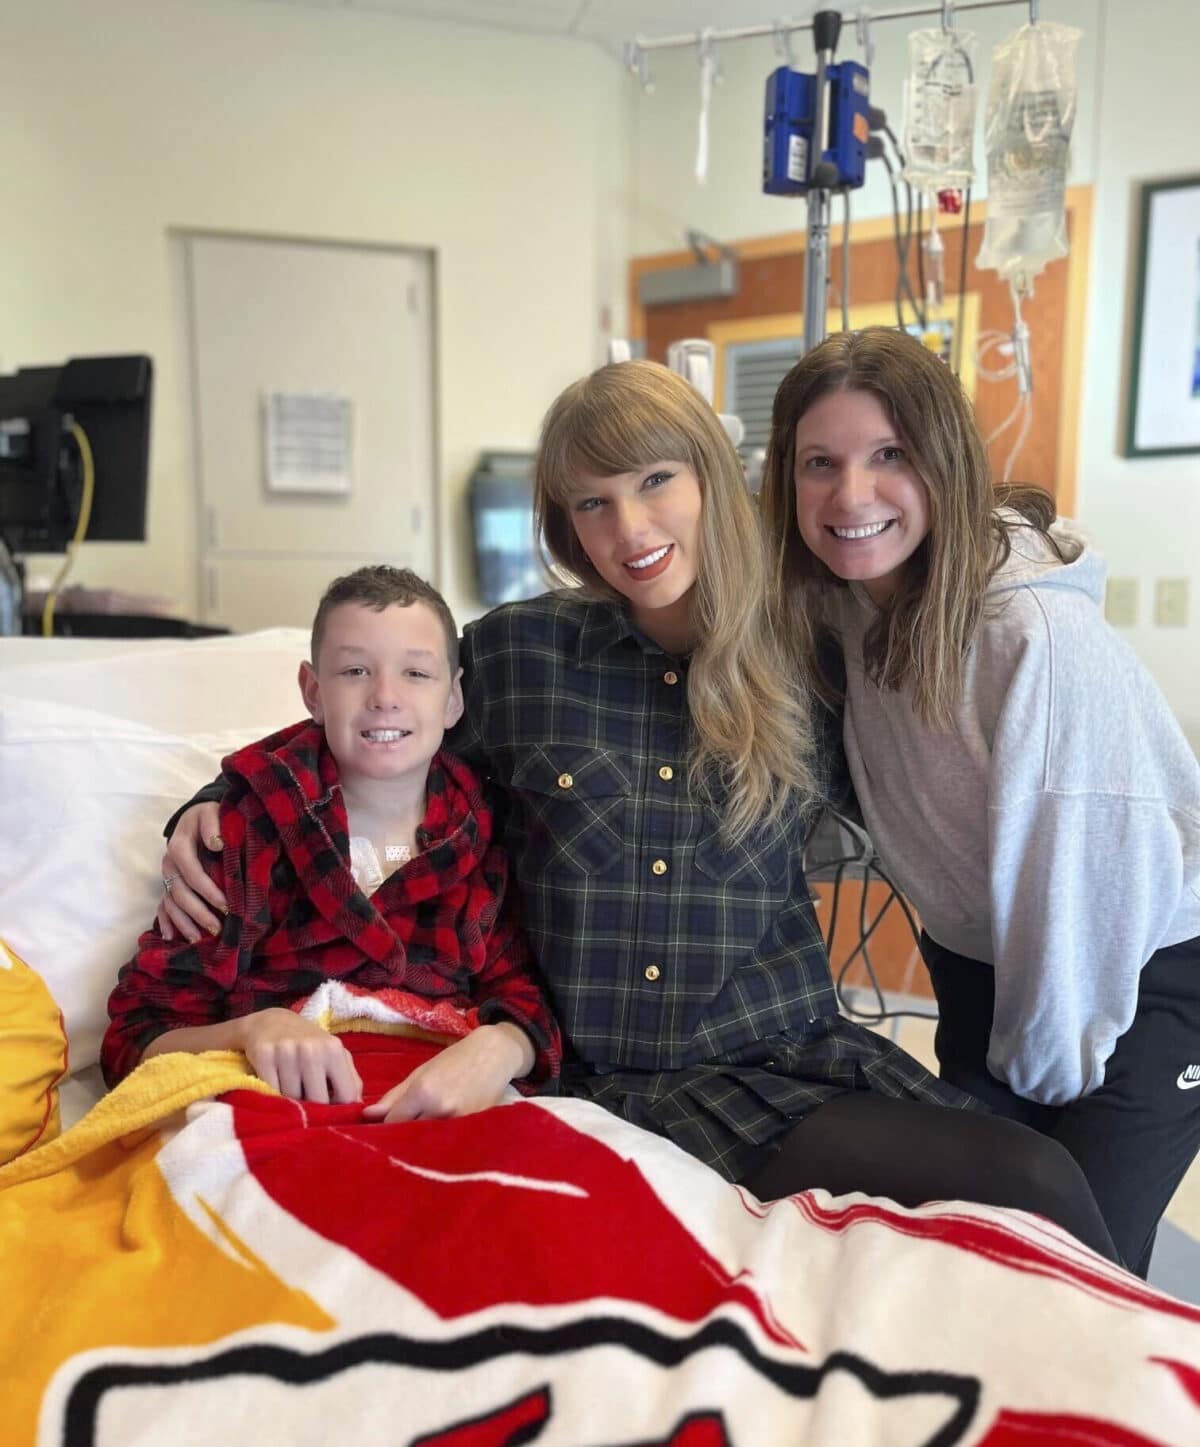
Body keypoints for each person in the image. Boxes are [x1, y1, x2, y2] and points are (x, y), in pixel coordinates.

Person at [157, 361, 1118, 1261]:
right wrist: (217, 796)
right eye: (591, 502)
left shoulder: (813, 655)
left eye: (656, 480)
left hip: (784, 1060)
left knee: (1035, 1180)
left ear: (711, 477)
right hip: (598, 1076)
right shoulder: (521, 660)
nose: (629, 527)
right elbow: (376, 726)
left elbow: (947, 615)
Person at [759, 325, 1200, 1275]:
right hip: (988, 971)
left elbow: (1082, 887)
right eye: (819, 464)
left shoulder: (1032, 635)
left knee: (1071, 1278)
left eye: (889, 457)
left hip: (1129, 979)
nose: (851, 496)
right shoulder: (847, 604)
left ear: (946, 463)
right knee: (954, 1260)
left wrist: (1036, 1082)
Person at [102, 566, 561, 1121]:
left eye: (416, 672)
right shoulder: (242, 833)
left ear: (453, 699)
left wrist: (502, 1045)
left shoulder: (488, 835)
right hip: (279, 1114)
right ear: (313, 692)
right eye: (355, 671)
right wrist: (255, 1028)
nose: (385, 697)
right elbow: (135, 1038)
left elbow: (526, 1002)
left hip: (436, 1108)